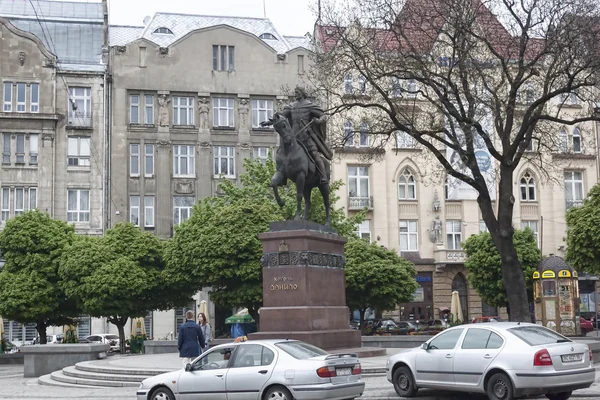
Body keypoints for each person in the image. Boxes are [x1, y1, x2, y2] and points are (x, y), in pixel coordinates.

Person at [261, 86, 331, 184]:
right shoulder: (291, 106)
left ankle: (323, 175)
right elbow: (280, 117)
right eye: (295, 92)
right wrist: (268, 122)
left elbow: (323, 115)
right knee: (284, 154)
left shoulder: (309, 105)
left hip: (306, 136)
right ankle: (282, 176)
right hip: (294, 137)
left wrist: (319, 121)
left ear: (302, 93)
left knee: (315, 155)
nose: (295, 94)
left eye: (297, 92)